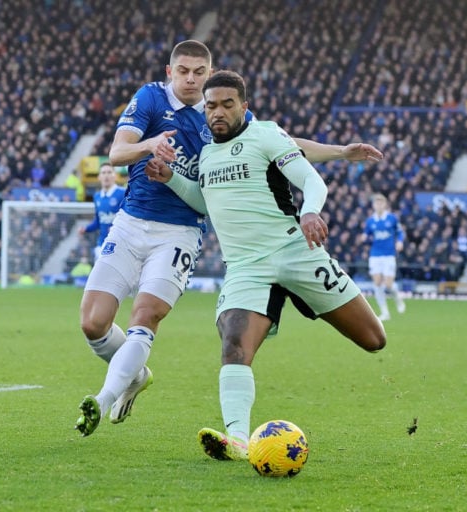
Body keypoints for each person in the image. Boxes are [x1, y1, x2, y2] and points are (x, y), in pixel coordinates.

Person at [74, 41, 385, 438]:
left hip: (247, 242)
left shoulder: (246, 127)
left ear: (231, 95)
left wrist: (339, 155)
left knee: (373, 340)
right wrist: (161, 163)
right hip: (196, 247)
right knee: (108, 325)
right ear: (172, 73)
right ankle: (223, 431)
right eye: (184, 72)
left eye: (200, 73)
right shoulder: (171, 117)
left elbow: (292, 151)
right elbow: (131, 160)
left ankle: (105, 398)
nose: (213, 107)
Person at [145, 70, 386, 461]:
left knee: (374, 340)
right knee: (233, 344)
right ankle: (238, 440)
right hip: (245, 266)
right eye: (211, 106)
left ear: (244, 106)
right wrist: (172, 178)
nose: (218, 112)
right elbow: (208, 204)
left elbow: (313, 182)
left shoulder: (266, 135)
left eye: (227, 104)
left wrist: (310, 213)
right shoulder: (207, 153)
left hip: (296, 250)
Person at [359, 193, 406, 321]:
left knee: (389, 284)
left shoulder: (392, 218)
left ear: (385, 205)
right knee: (377, 282)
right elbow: (366, 235)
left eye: (381, 203)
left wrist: (400, 241)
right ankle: (385, 312)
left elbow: (400, 232)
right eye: (376, 203)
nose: (379, 205)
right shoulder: (370, 221)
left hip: (389, 255)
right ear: (373, 205)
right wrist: (364, 238)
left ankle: (398, 298)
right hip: (375, 254)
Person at [78, 162, 126, 261]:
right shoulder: (97, 197)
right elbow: (98, 221)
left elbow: (129, 219)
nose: (106, 175)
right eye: (103, 173)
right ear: (99, 177)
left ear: (115, 176)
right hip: (102, 244)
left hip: (120, 244)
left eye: (109, 172)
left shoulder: (123, 193)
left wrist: (117, 227)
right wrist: (86, 229)